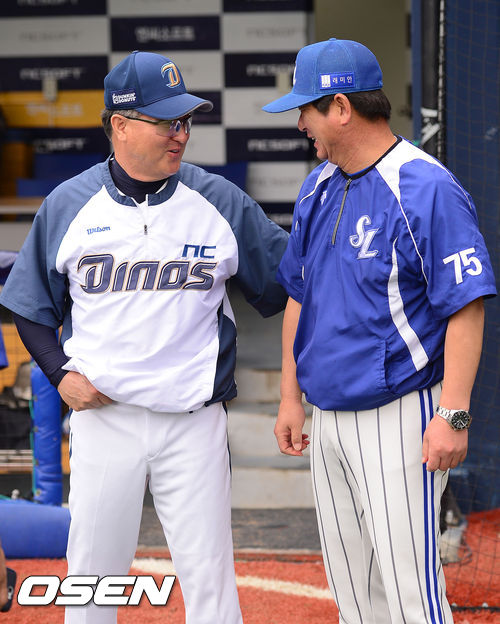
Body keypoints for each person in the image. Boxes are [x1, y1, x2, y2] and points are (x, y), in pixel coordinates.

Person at [0, 50, 289, 624]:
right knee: (91, 581)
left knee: (210, 581)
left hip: (194, 421)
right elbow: (29, 305)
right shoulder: (68, 204)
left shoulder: (220, 200)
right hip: (105, 417)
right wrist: (59, 373)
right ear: (121, 124)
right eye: (166, 121)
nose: (181, 134)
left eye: (185, 120)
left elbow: (288, 283)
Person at [263, 38, 497, 623]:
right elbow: (298, 296)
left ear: (341, 107)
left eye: (306, 109)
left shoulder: (425, 185)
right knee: (354, 596)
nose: (299, 123)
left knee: (411, 596)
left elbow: (466, 306)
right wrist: (290, 396)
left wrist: (454, 414)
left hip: (399, 414)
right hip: (327, 416)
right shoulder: (318, 184)